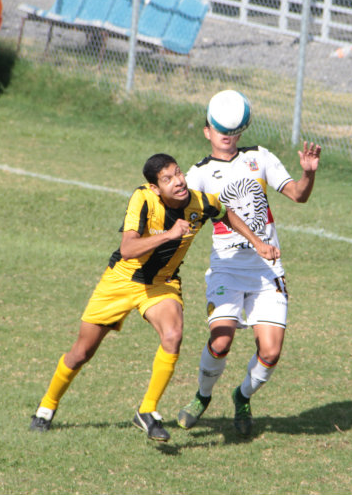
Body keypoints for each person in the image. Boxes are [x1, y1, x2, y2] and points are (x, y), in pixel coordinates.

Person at [29, 153, 280, 442]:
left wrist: (258, 242)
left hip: (162, 284)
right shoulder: (143, 199)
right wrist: (170, 234)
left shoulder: (202, 202)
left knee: (173, 335)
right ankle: (47, 407)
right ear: (154, 187)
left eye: (178, 173)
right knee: (82, 352)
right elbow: (128, 249)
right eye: (167, 179)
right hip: (121, 281)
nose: (178, 182)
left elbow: (226, 213)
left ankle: (147, 411)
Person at [177, 92, 322, 436]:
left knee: (270, 353)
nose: (226, 136)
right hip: (227, 268)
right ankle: (202, 397)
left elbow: (298, 194)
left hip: (266, 270)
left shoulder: (260, 158)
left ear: (241, 130)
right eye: (219, 129)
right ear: (206, 131)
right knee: (221, 341)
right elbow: (181, 217)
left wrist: (308, 173)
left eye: (232, 130)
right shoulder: (198, 175)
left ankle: (242, 397)